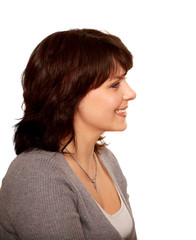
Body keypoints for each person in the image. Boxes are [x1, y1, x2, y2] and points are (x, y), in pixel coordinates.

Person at [0, 29, 137, 239]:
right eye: (115, 84)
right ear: (70, 93)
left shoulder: (105, 160)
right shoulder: (37, 175)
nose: (131, 93)